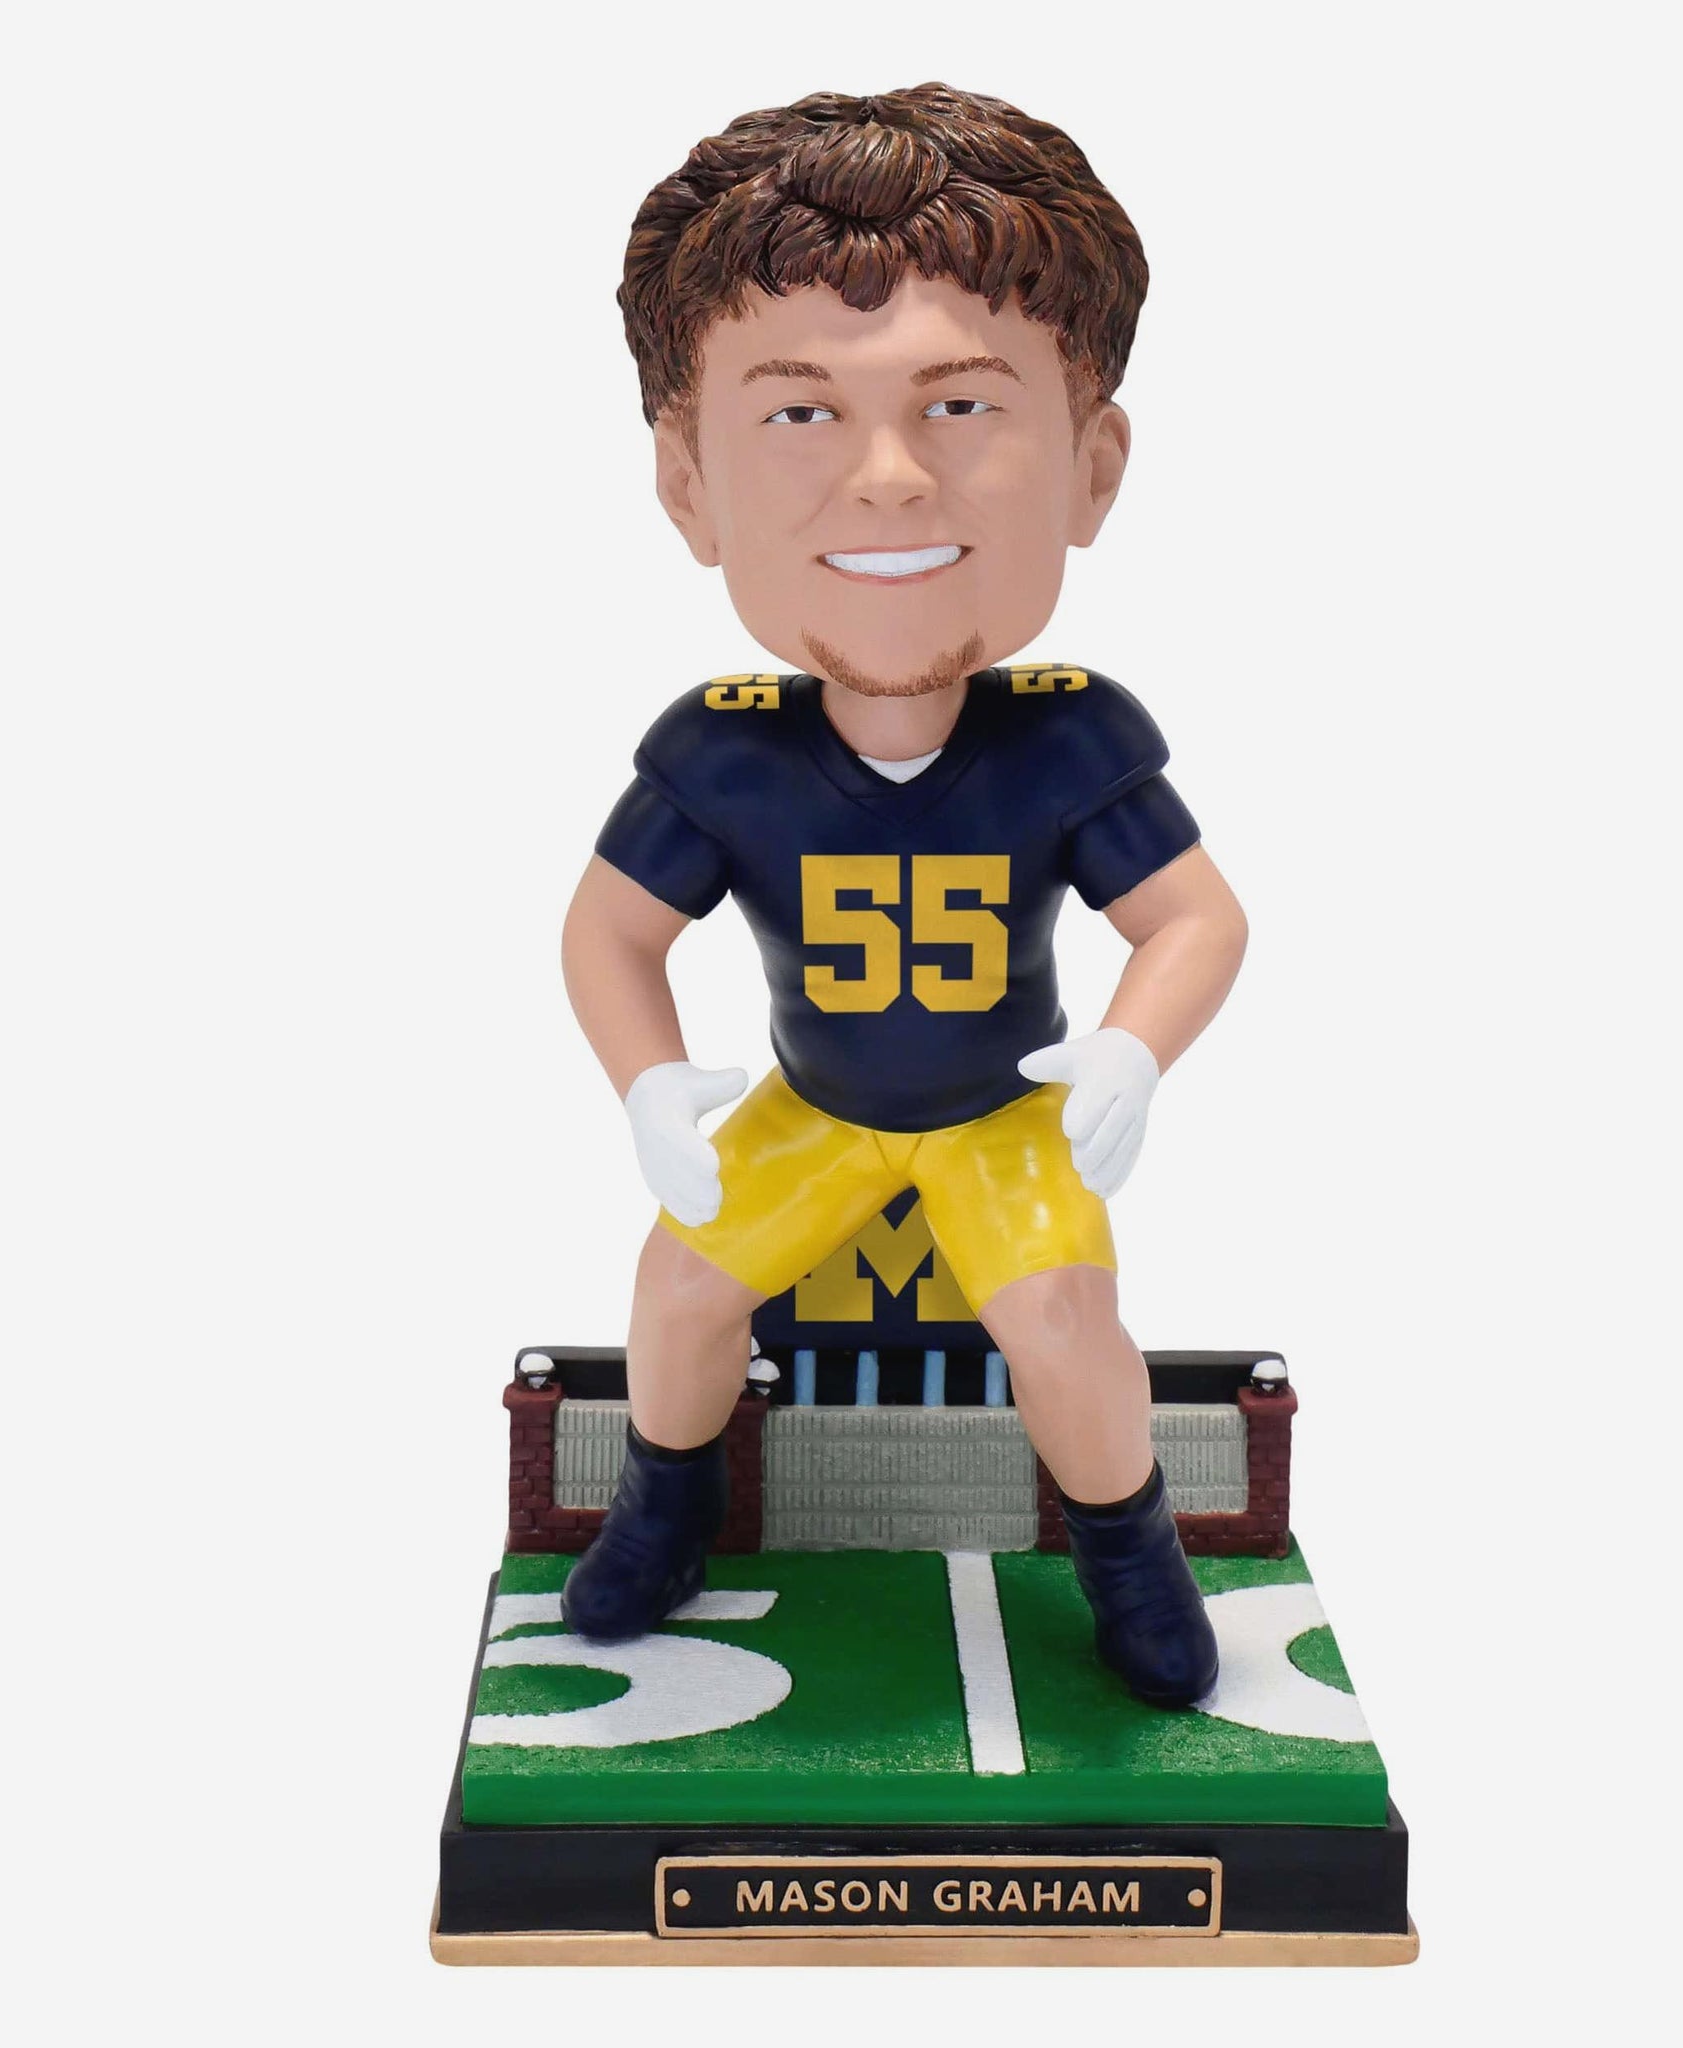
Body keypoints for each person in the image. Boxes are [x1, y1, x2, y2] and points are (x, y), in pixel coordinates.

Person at [560, 84, 1248, 1707]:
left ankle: (1131, 1554)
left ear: (1090, 467)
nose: (887, 479)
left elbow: (1194, 918)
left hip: (1000, 1115)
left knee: (1066, 1325)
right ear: (689, 484)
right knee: (679, 1284)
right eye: (802, 412)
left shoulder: (1066, 736)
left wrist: (1133, 1048)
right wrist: (648, 1083)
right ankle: (664, 1509)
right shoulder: (723, 751)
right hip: (815, 1105)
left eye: (962, 405)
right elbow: (608, 932)